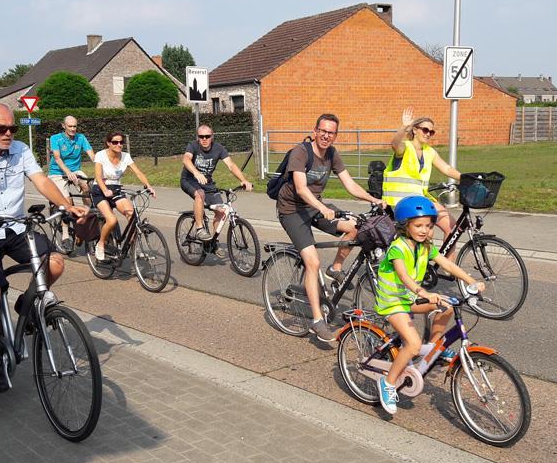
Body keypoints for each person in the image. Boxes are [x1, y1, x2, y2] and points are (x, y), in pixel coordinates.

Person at [0, 102, 86, 394]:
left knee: (55, 263)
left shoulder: (21, 150)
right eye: (1, 129)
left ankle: (26, 304)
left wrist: (67, 206)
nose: (9, 133)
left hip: (14, 227)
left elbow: (41, 180)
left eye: (12, 127)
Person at [276, 113, 384, 342]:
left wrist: (372, 200)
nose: (326, 136)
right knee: (312, 261)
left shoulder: (332, 154)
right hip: (292, 210)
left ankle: (335, 267)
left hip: (315, 206)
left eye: (331, 132)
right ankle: (317, 320)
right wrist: (322, 208)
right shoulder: (301, 152)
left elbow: (349, 184)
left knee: (356, 226)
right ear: (315, 131)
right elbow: (301, 188)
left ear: (336, 135)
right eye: (323, 131)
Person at [374, 196, 484, 415]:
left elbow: (447, 265)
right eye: (418, 225)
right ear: (405, 226)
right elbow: (404, 277)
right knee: (413, 344)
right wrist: (423, 292)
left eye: (428, 225)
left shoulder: (426, 247)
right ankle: (387, 384)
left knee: (448, 306)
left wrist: (471, 281)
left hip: (410, 298)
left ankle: (435, 349)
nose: (424, 230)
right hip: (393, 301)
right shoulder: (398, 248)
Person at [384, 107, 462, 257]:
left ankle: (449, 269)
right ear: (414, 130)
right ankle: (419, 269)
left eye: (431, 132)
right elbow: (394, 145)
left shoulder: (429, 152)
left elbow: (446, 168)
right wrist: (403, 127)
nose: (428, 134)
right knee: (427, 233)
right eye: (425, 130)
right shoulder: (405, 147)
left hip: (421, 200)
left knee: (452, 227)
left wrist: (466, 178)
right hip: (400, 202)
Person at [181, 124, 253, 241]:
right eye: (201, 136)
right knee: (200, 194)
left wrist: (243, 180)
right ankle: (199, 229)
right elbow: (186, 159)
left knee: (220, 211)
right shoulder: (193, 146)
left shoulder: (218, 148)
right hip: (189, 180)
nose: (204, 139)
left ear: (212, 136)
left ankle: (213, 242)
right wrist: (196, 173)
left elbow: (231, 165)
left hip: (207, 183)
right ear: (198, 137)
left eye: (207, 136)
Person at [91, 131, 155, 261]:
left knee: (133, 216)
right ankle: (101, 244)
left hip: (116, 190)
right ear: (108, 143)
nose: (119, 145)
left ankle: (133, 249)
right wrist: (104, 190)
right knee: (112, 220)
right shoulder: (101, 155)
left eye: (121, 142)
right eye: (115, 142)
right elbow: (98, 176)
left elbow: (138, 172)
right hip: (100, 189)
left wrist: (148, 186)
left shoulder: (126, 156)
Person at [49, 115, 95, 249]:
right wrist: (67, 172)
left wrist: (101, 169)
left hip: (76, 170)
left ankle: (84, 220)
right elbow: (57, 158)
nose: (73, 129)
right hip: (57, 172)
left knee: (87, 188)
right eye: (70, 126)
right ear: (64, 126)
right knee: (66, 202)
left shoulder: (81, 138)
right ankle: (65, 235)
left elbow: (92, 155)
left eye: (75, 126)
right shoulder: (55, 138)